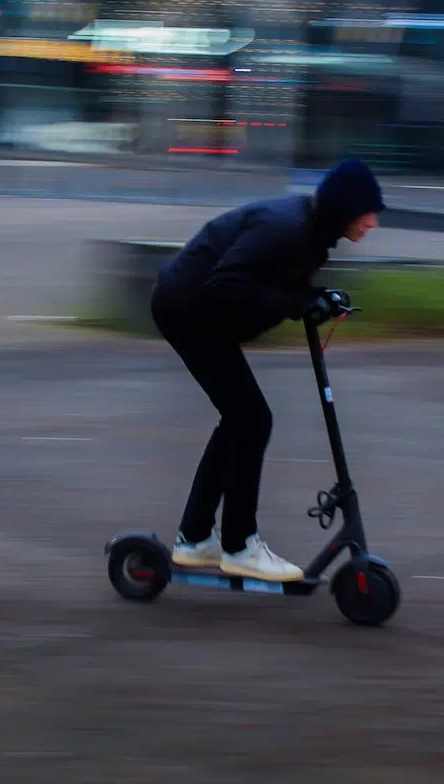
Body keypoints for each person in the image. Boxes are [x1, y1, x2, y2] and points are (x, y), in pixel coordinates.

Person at [149, 158, 385, 582]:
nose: (373, 223)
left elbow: (274, 282)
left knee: (243, 420)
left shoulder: (311, 232)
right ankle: (239, 545)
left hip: (196, 309)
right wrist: (299, 304)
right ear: (344, 207)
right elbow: (225, 286)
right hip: (186, 308)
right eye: (367, 212)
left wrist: (317, 298)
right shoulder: (286, 227)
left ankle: (196, 537)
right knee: (251, 420)